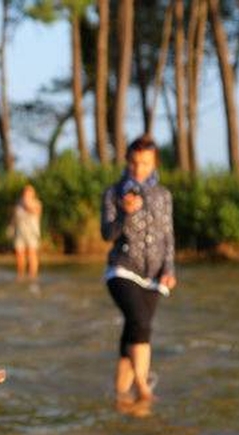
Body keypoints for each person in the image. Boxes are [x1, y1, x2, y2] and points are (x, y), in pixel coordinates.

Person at [101, 134, 177, 404]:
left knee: (134, 330)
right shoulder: (114, 193)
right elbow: (107, 234)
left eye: (145, 163)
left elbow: (168, 235)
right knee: (141, 322)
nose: (138, 168)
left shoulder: (163, 196)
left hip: (154, 275)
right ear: (126, 161)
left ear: (154, 163)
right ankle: (143, 389)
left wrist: (169, 269)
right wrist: (124, 213)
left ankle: (121, 395)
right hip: (121, 269)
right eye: (134, 162)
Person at [12, 183, 42, 280]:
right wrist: (11, 228)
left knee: (31, 253)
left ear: (33, 194)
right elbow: (14, 217)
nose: (26, 194)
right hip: (20, 231)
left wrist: (26, 203)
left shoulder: (37, 203)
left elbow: (33, 211)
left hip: (32, 232)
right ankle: (20, 274)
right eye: (25, 192)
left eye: (29, 193)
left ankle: (33, 275)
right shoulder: (18, 203)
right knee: (19, 253)